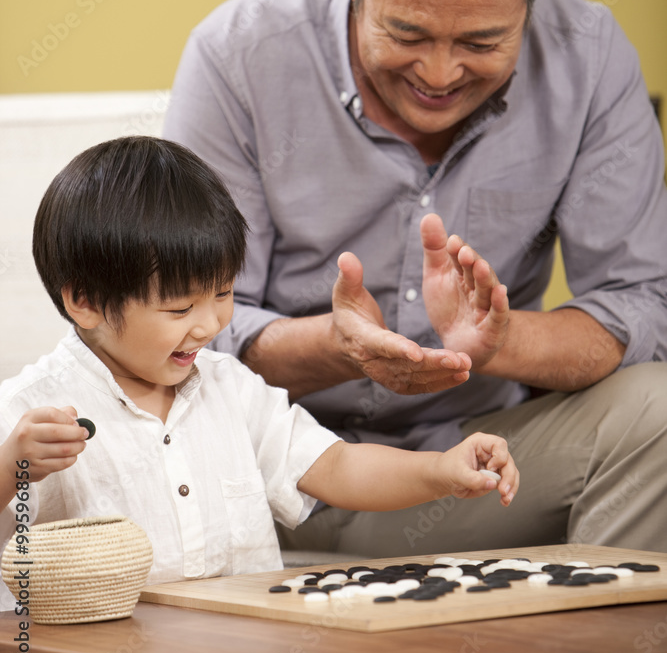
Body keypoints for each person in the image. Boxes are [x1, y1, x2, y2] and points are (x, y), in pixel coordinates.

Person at [163, 0, 667, 557]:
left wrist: (498, 343)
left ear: (530, 5)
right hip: (267, 466)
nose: (438, 75)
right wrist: (340, 347)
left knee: (656, 409)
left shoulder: (587, 60)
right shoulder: (238, 55)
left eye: (480, 43)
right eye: (406, 34)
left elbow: (638, 305)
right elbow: (179, 324)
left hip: (477, 462)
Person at [0, 136, 519, 610]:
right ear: (86, 302)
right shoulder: (29, 413)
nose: (210, 325)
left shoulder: (230, 386)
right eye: (180, 309)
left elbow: (336, 467)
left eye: (223, 294)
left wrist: (440, 471)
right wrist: (10, 468)